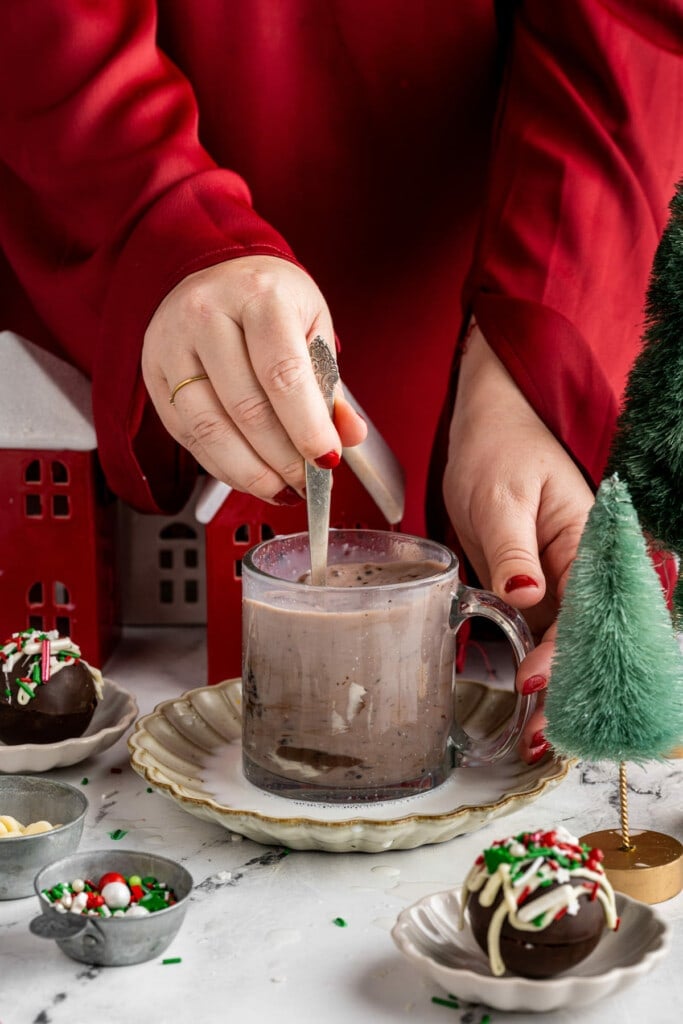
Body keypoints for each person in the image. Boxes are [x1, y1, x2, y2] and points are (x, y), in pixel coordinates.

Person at [2, 2, 681, 762]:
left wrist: (529, 368)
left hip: (459, 289)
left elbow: (629, 32)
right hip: (102, 244)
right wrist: (158, 224)